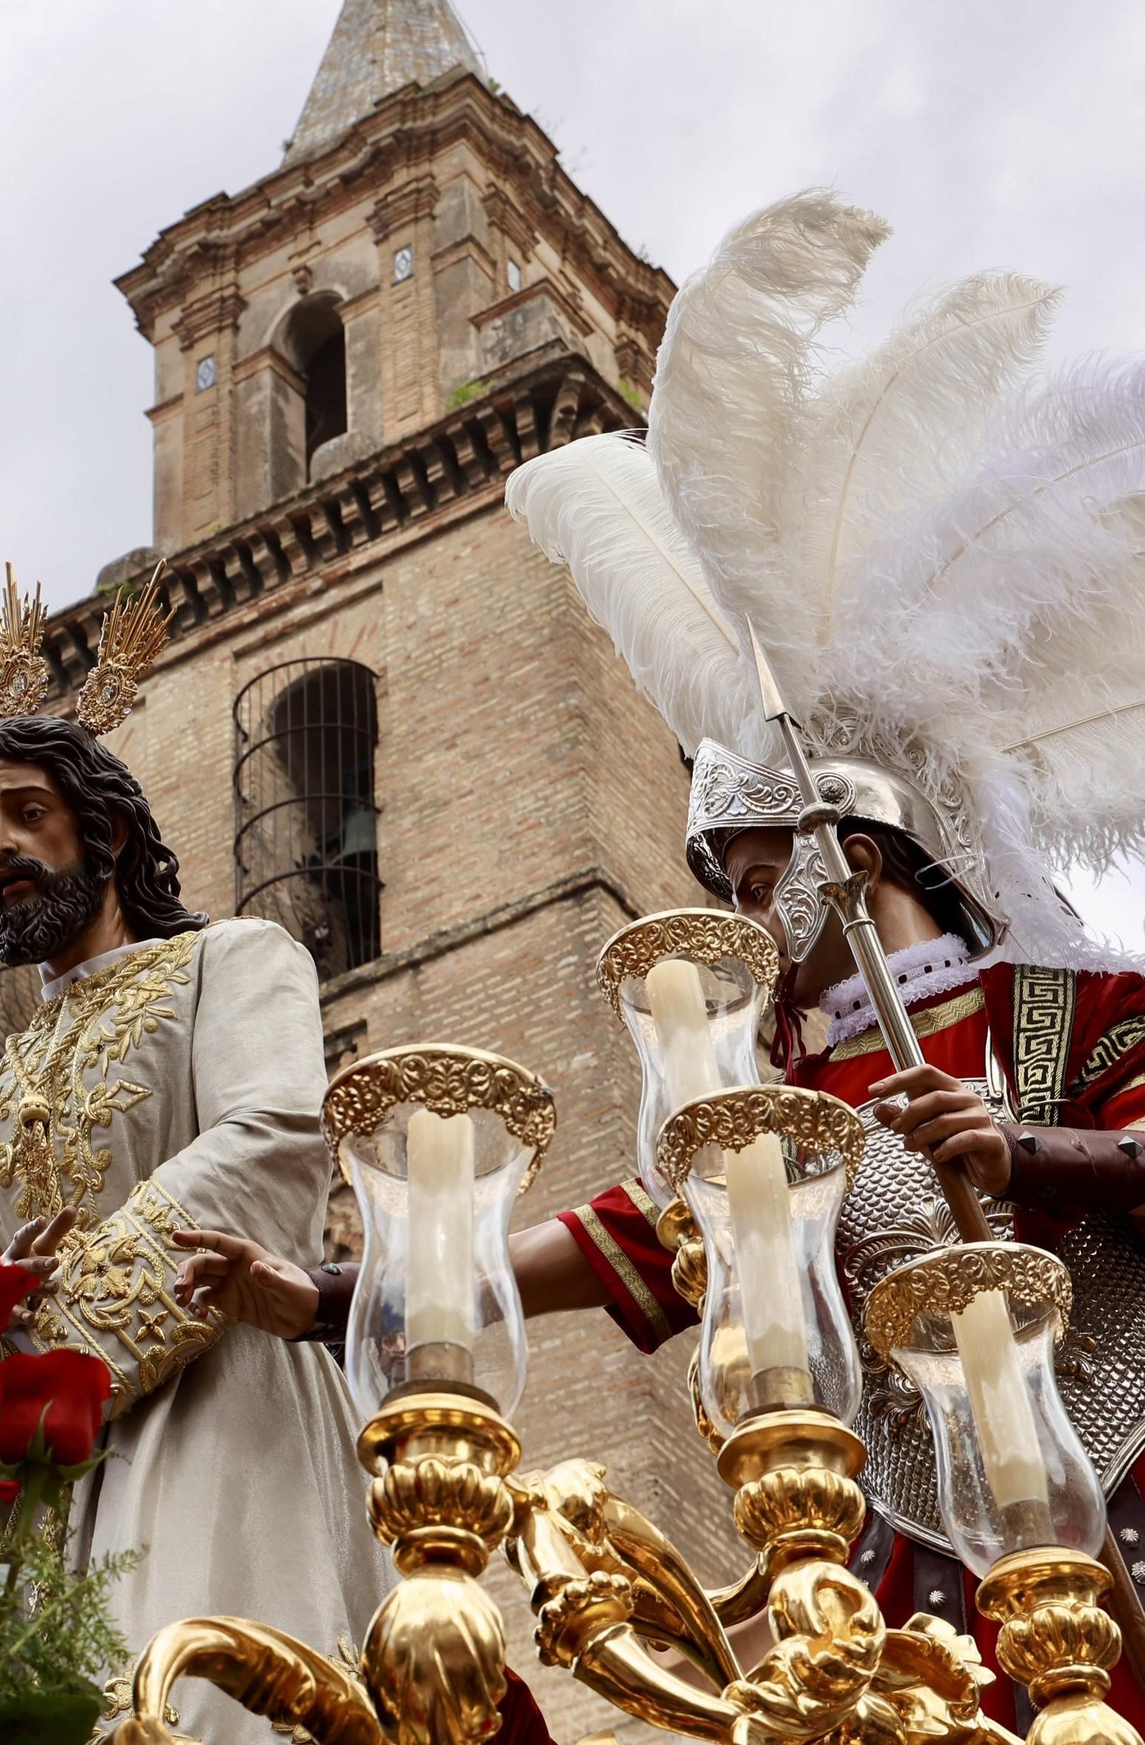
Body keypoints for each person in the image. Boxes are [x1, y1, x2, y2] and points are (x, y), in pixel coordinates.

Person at [190, 187, 1145, 1731]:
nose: (758, 917)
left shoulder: (1071, 1012)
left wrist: (1027, 1144)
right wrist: (348, 1290)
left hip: (1127, 1471)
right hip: (918, 1541)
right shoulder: (786, 1088)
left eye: (777, 877)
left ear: (870, 855)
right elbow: (651, 1237)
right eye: (740, 882)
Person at [0, 575, 393, 1745]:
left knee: (199, 1691)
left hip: (218, 1402)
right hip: (41, 1479)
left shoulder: (232, 960)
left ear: (101, 829)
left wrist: (59, 1343)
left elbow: (270, 1140)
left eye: (24, 813)